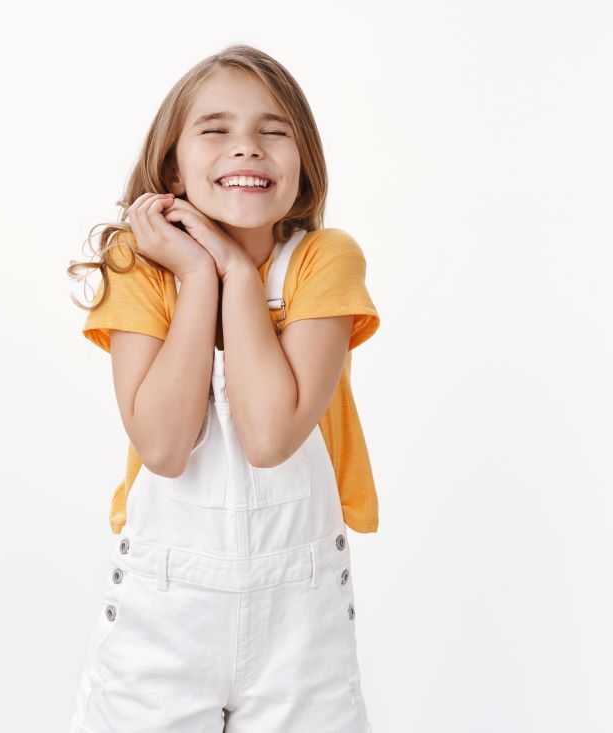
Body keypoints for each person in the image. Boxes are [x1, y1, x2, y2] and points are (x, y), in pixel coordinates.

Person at [65, 43, 381, 732]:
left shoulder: (325, 261)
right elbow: (165, 446)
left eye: (274, 132)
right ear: (174, 164)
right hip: (162, 620)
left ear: (304, 164)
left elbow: (271, 435)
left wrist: (238, 275)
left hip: (300, 632)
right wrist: (199, 277)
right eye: (216, 130)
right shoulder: (140, 266)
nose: (247, 149)